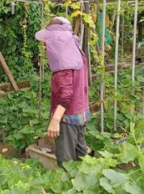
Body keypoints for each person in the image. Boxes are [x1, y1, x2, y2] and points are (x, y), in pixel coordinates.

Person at [35, 17, 91, 167]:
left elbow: (66, 94)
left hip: (68, 117)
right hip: (80, 112)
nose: (46, 44)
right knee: (81, 157)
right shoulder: (76, 50)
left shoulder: (63, 61)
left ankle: (70, 188)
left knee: (66, 163)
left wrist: (55, 120)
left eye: (49, 39)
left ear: (57, 40)